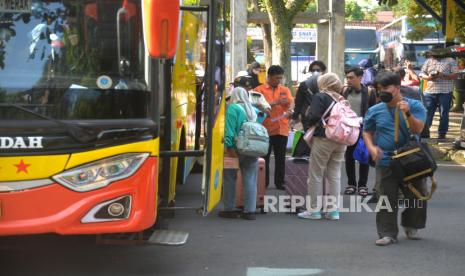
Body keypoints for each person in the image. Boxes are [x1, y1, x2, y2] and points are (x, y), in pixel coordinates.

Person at [363, 71, 428, 246]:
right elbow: (367, 131)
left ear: (398, 87)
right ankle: (387, 234)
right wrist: (370, 147)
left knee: (417, 197)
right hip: (385, 160)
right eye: (378, 88)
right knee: (386, 198)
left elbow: (418, 129)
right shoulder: (374, 110)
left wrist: (407, 113)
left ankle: (411, 224)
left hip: (411, 161)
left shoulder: (415, 106)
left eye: (385, 87)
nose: (381, 91)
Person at [297, 73, 346, 220]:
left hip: (324, 138)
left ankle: (314, 210)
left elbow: (313, 117)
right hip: (341, 139)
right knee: (335, 175)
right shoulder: (341, 99)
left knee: (316, 175)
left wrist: (307, 116)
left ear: (323, 83)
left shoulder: (321, 96)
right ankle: (333, 211)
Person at [219, 87, 260, 220]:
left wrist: (229, 148)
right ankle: (250, 211)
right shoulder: (253, 110)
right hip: (252, 149)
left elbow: (229, 131)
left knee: (229, 179)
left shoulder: (233, 109)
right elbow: (263, 118)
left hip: (235, 149)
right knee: (250, 179)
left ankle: (229, 209)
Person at [255, 65, 294, 190]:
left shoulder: (284, 89)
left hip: (281, 128)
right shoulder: (259, 90)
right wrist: (274, 103)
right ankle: (263, 182)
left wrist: (291, 110)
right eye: (277, 78)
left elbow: (291, 101)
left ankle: (280, 182)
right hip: (264, 129)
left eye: (281, 78)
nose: (279, 80)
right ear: (269, 77)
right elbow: (255, 107)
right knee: (263, 157)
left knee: (280, 157)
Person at [342, 67, 377, 197]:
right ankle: (351, 184)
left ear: (360, 78)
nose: (348, 80)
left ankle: (362, 185)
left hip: (363, 128)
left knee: (364, 156)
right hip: (347, 128)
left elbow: (374, 110)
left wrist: (369, 126)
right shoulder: (344, 90)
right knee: (349, 156)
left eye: (351, 77)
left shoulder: (369, 91)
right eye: (347, 77)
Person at [421, 53, 458, 139]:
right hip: (430, 91)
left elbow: (455, 75)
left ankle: (442, 134)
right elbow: (422, 73)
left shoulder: (451, 61)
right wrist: (428, 77)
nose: (432, 56)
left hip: (445, 92)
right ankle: (425, 133)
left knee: (444, 114)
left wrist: (442, 75)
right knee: (427, 113)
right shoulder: (429, 61)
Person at [291, 60, 327, 130]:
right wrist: (294, 117)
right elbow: (299, 102)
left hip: (324, 117)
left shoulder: (327, 85)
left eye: (318, 70)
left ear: (323, 71)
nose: (315, 72)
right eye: (313, 70)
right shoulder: (304, 85)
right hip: (307, 117)